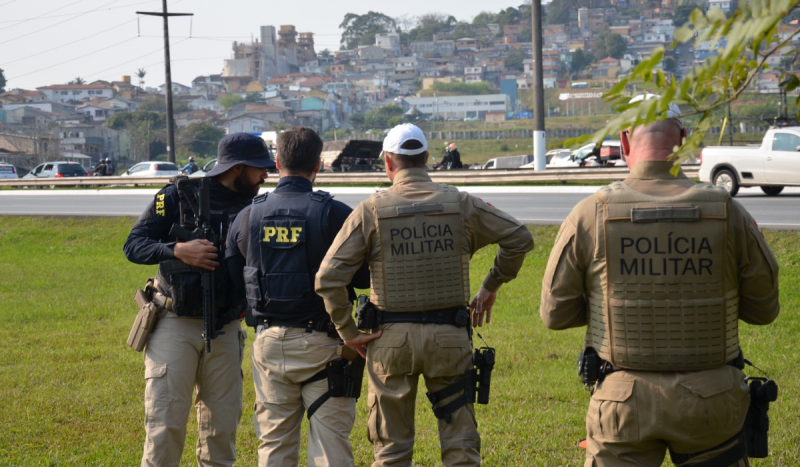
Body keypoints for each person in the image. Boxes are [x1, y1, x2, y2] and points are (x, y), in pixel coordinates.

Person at [539, 95, 780, 467]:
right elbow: (764, 309)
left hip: (621, 401)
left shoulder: (591, 213)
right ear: (683, 139)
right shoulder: (728, 211)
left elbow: (554, 314)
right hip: (712, 399)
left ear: (623, 142)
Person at [315, 123, 534, 466]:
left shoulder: (370, 210)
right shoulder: (460, 203)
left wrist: (349, 332)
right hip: (449, 337)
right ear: (428, 159)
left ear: (388, 163)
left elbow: (328, 277)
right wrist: (491, 284)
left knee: (391, 449)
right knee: (460, 445)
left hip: (389, 340)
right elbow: (520, 238)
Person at [123, 132, 276, 467]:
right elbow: (134, 245)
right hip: (173, 323)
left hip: (225, 326)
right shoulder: (176, 196)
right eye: (260, 168)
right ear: (237, 168)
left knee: (221, 431)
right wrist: (178, 250)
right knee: (165, 427)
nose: (266, 174)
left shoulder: (256, 205)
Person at [226, 126, 370, 466]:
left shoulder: (247, 215)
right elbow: (363, 276)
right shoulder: (335, 214)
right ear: (318, 165)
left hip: (269, 343)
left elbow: (235, 280)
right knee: (331, 449)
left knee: (274, 446)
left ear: (277, 163)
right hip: (326, 345)